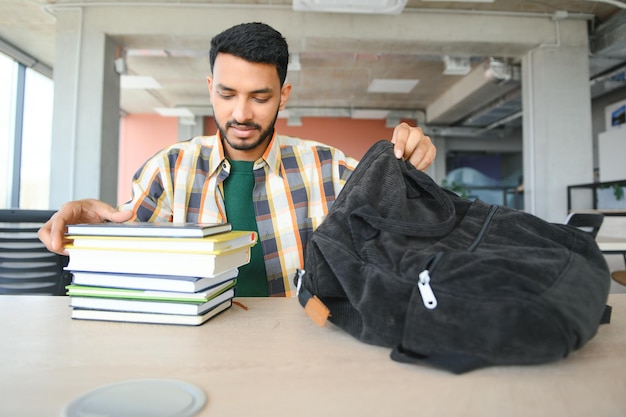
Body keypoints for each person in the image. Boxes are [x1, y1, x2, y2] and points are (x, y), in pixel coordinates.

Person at [39, 22, 436, 297]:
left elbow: (399, 222)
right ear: (210, 88)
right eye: (227, 95)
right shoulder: (169, 169)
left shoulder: (328, 169)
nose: (242, 114)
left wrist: (411, 164)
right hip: (194, 349)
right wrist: (90, 233)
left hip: (302, 350)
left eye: (260, 98)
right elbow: (128, 252)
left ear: (284, 95)